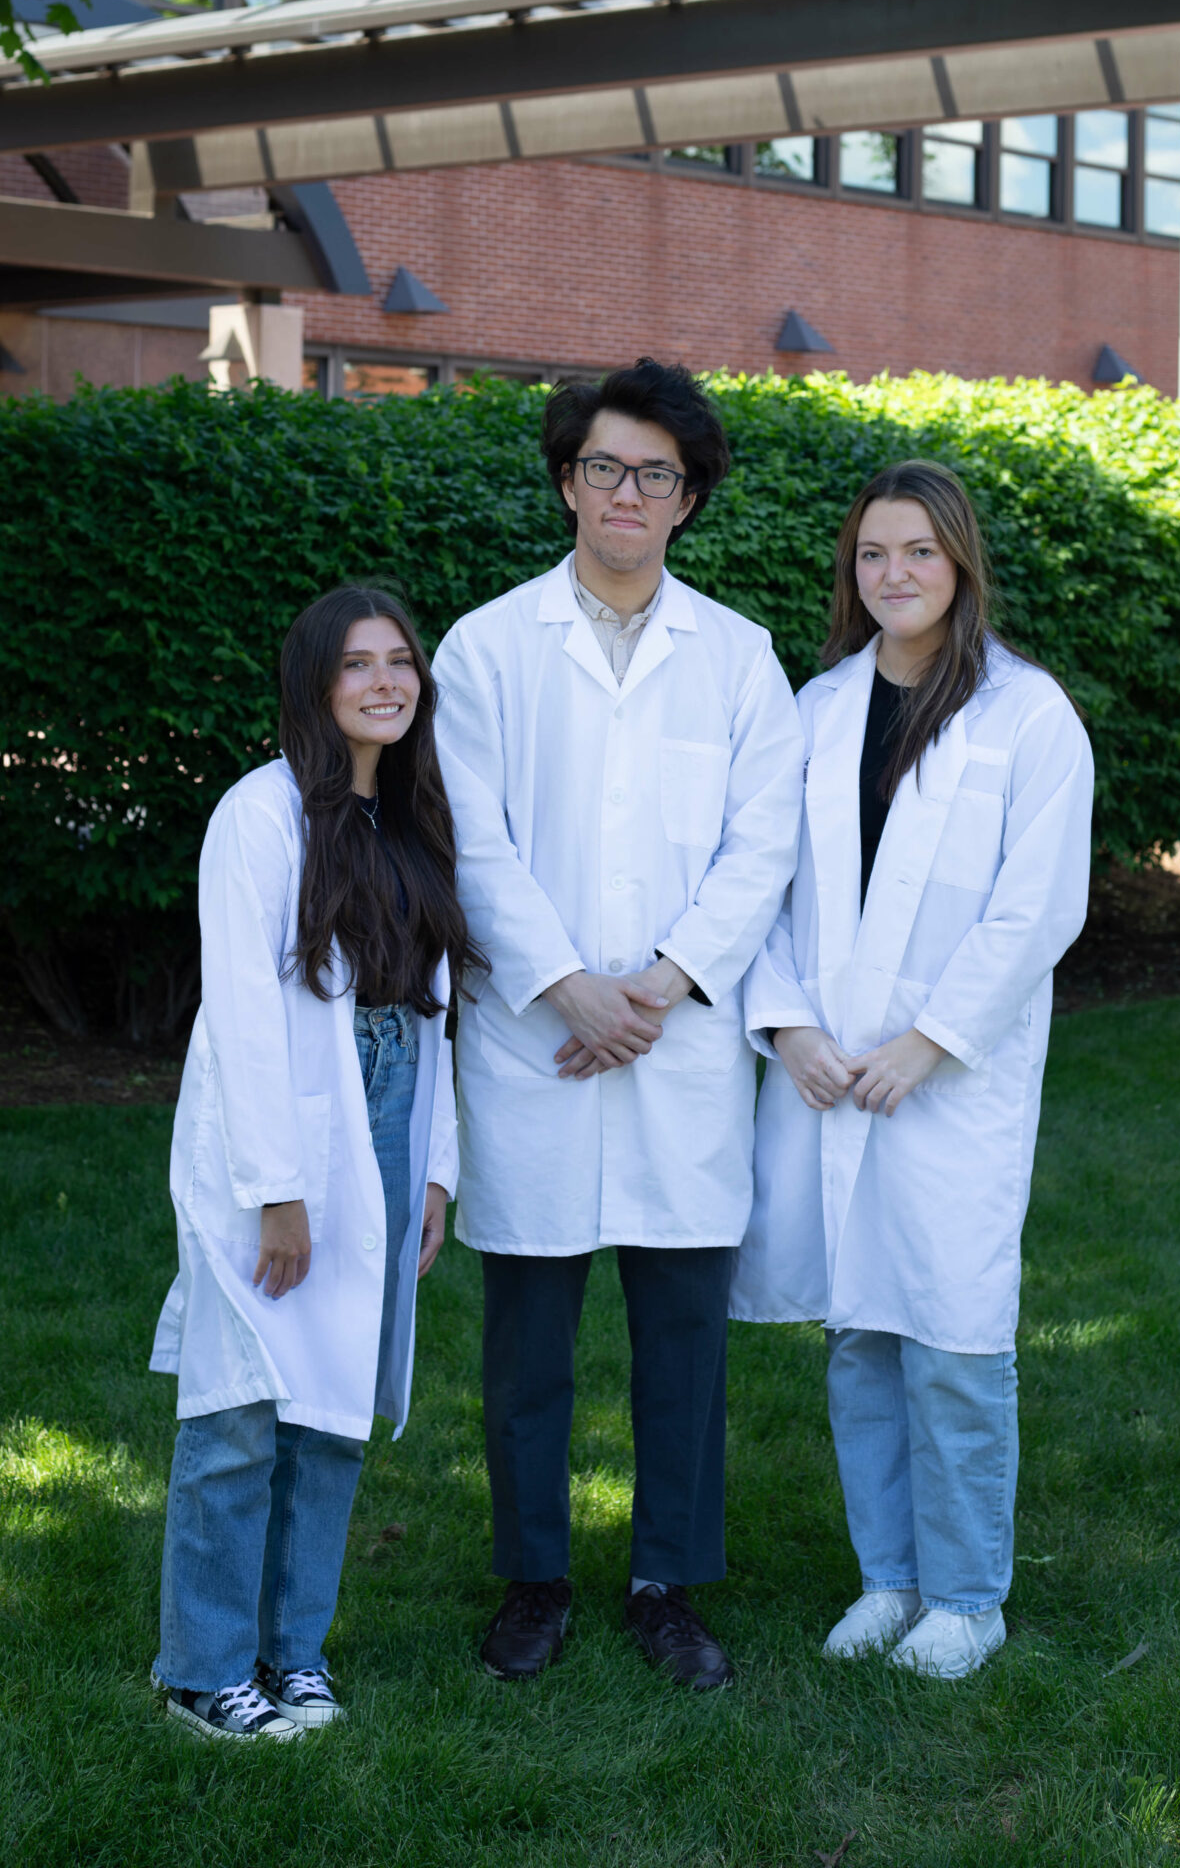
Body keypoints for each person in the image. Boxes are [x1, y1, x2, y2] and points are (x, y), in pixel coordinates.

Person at [431, 359, 803, 1691]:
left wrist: (659, 983)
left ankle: (665, 1582)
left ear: (687, 498)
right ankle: (534, 1577)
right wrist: (566, 986)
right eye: (603, 467)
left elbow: (763, 850)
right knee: (526, 1344)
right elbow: (471, 843)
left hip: (678, 1041)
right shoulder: (483, 649)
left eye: (654, 473)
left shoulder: (738, 661)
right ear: (565, 482)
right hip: (537, 1036)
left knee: (681, 1349)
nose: (625, 493)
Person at [733, 462, 1093, 1682]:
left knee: (951, 1334)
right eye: (874, 554)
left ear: (961, 565)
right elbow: (762, 886)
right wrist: (788, 1029)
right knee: (860, 1338)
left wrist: (928, 1044)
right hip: (833, 1076)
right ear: (854, 570)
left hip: (950, 1085)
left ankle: (969, 1596)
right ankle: (889, 1578)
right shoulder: (818, 707)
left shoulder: (1027, 715)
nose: (895, 574)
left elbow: (1035, 908)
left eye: (920, 553)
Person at [149, 584, 479, 1740]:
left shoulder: (417, 814)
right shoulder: (262, 813)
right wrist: (275, 1191)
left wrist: (435, 1168)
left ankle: (295, 1653)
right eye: (358, 665)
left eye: (401, 661)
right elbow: (243, 1012)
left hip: (388, 1115)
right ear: (314, 684)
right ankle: (202, 1667)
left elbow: (439, 1014)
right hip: (275, 1128)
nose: (386, 681)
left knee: (333, 1402)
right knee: (242, 1400)